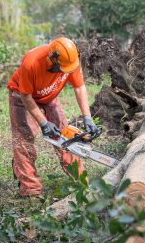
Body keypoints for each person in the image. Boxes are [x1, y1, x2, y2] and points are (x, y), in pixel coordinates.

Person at [7, 37, 99, 198]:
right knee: (24, 140)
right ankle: (31, 190)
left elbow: (79, 87)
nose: (67, 71)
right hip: (21, 96)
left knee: (66, 136)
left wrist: (87, 117)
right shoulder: (31, 62)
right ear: (53, 60)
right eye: (63, 69)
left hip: (49, 97)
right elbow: (26, 95)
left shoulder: (71, 60)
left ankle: (81, 181)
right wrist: (43, 123)